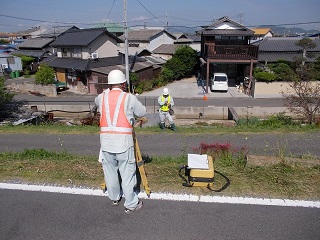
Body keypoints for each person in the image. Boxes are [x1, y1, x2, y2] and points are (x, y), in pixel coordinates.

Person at [95, 69, 146, 214]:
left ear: (110, 84)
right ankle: (131, 204)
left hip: (105, 143)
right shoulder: (128, 98)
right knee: (128, 173)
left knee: (110, 172)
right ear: (123, 83)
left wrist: (105, 92)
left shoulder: (101, 97)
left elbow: (97, 101)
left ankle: (115, 198)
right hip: (124, 143)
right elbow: (142, 112)